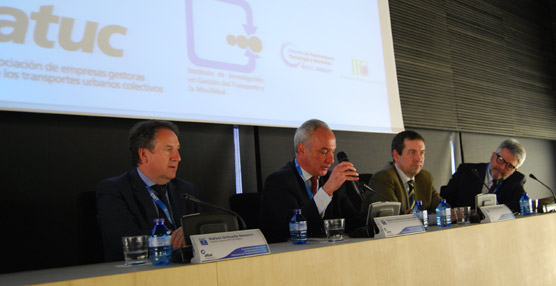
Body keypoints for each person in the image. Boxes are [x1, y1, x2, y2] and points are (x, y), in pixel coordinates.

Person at [96, 120, 200, 262]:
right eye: (169, 149)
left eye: (177, 149)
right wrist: (171, 238)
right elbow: (124, 241)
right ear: (144, 154)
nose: (177, 157)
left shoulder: (186, 189)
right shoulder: (115, 190)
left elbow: (200, 230)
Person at [259, 119, 365, 243]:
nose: (331, 160)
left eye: (333, 152)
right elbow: (291, 229)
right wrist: (326, 191)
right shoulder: (279, 182)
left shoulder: (332, 180)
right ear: (302, 149)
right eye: (324, 152)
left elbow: (355, 223)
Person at [363, 130, 442, 214]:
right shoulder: (384, 178)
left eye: (422, 153)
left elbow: (443, 210)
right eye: (412, 152)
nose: (418, 159)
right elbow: (391, 218)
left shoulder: (425, 177)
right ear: (396, 155)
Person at [440, 139, 526, 213]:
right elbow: (445, 201)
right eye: (500, 160)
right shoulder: (466, 171)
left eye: (509, 166)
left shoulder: (516, 180)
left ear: (514, 170)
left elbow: (518, 206)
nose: (502, 167)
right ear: (493, 156)